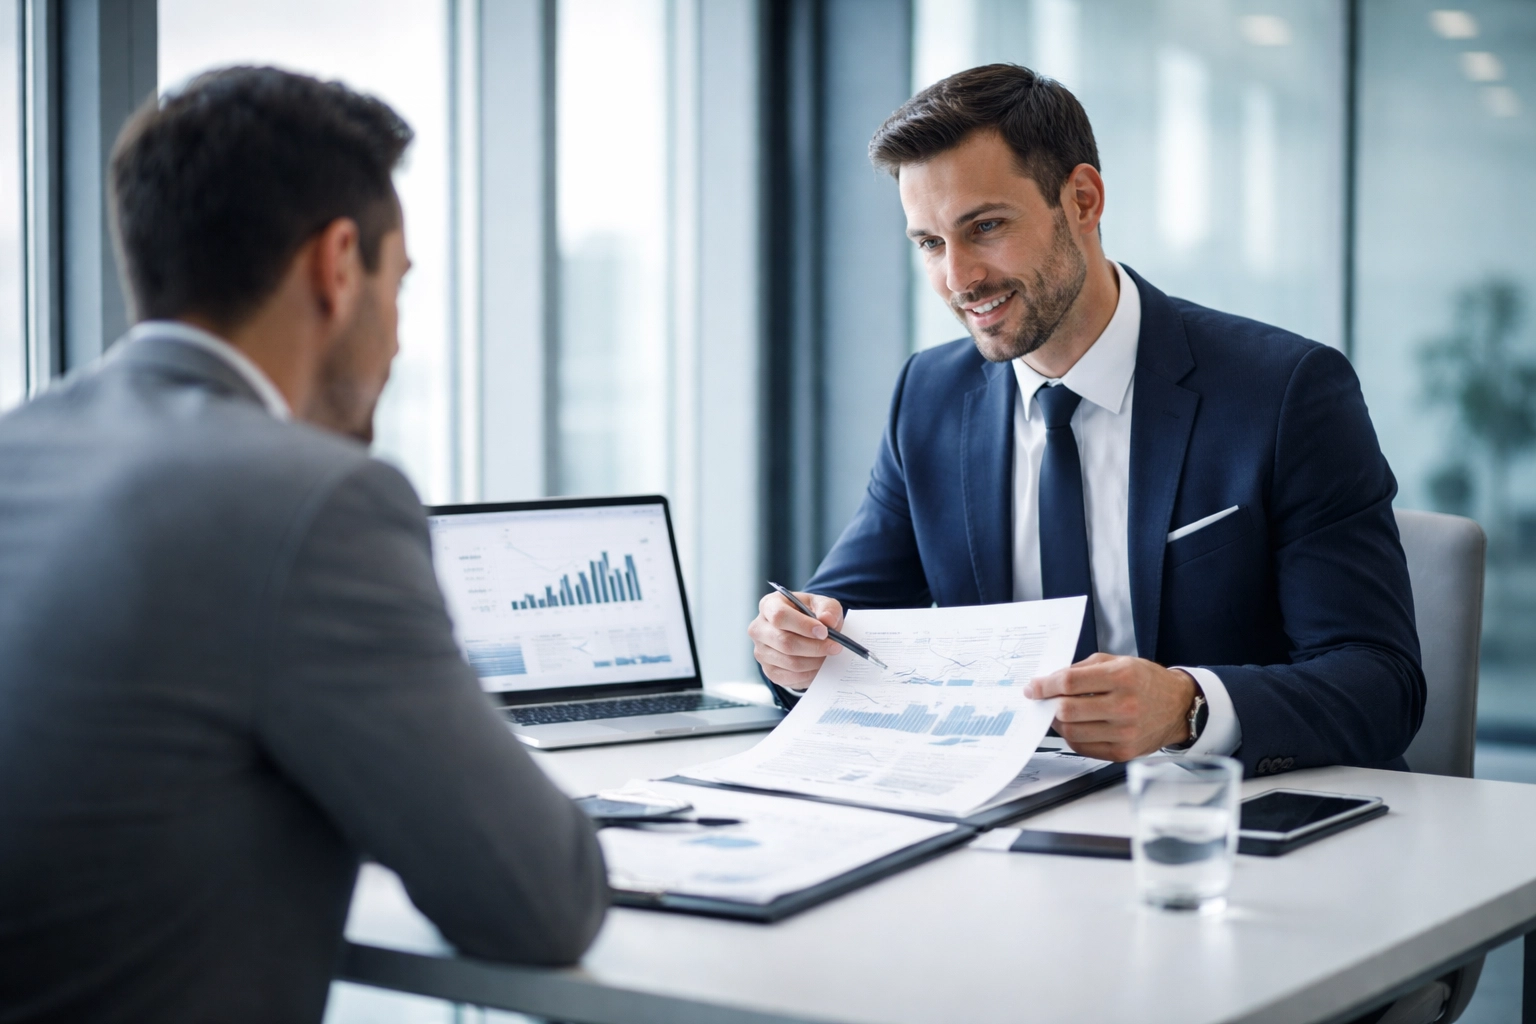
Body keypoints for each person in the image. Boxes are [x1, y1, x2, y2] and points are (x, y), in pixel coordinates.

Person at [0, 67, 607, 1023]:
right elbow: (542, 902)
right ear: (336, 265)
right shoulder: (317, 502)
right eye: (397, 285)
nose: (400, 341)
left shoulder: (18, 449)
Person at [748, 64, 1425, 775]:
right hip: (1008, 820)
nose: (959, 277)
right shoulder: (930, 396)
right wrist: (792, 649)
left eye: (985, 227)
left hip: (1222, 821)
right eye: (930, 243)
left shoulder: (1285, 393)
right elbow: (836, 620)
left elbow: (1382, 683)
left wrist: (1189, 705)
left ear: (1082, 199)